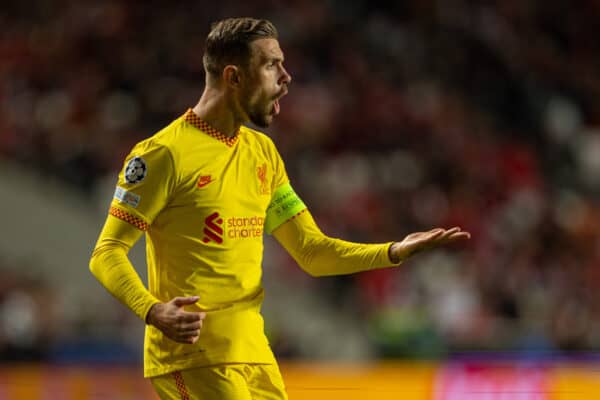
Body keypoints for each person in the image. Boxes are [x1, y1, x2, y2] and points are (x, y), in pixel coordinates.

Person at [89, 17, 470, 400]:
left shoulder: (262, 153)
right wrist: (153, 311)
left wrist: (392, 252)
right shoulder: (163, 155)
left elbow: (311, 251)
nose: (286, 77)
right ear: (234, 77)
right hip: (194, 357)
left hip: (255, 357)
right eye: (271, 64)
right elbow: (106, 253)